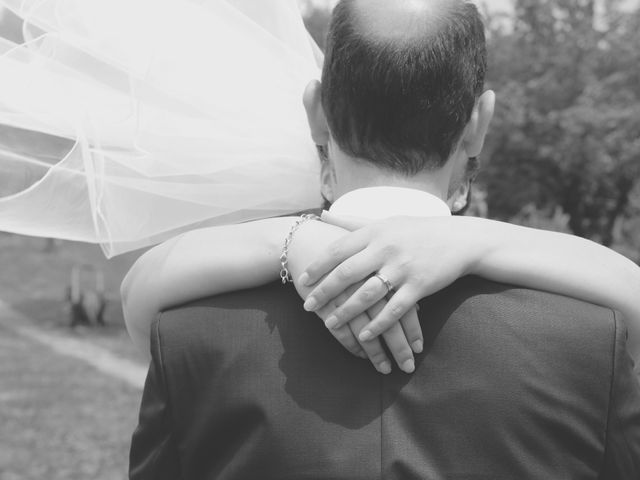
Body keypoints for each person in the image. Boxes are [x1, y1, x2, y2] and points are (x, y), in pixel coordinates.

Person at [129, 0, 640, 477]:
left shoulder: (185, 335)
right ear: (478, 123)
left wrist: (287, 239)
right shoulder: (594, 342)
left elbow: (136, 294)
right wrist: (481, 239)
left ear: (316, 112)